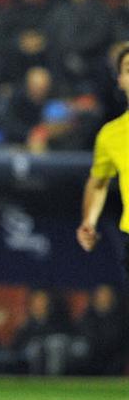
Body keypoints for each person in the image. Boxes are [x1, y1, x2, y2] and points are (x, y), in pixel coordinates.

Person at [77, 41, 129, 278]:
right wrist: (89, 221)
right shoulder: (110, 135)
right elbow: (98, 183)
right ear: (119, 80)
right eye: (128, 69)